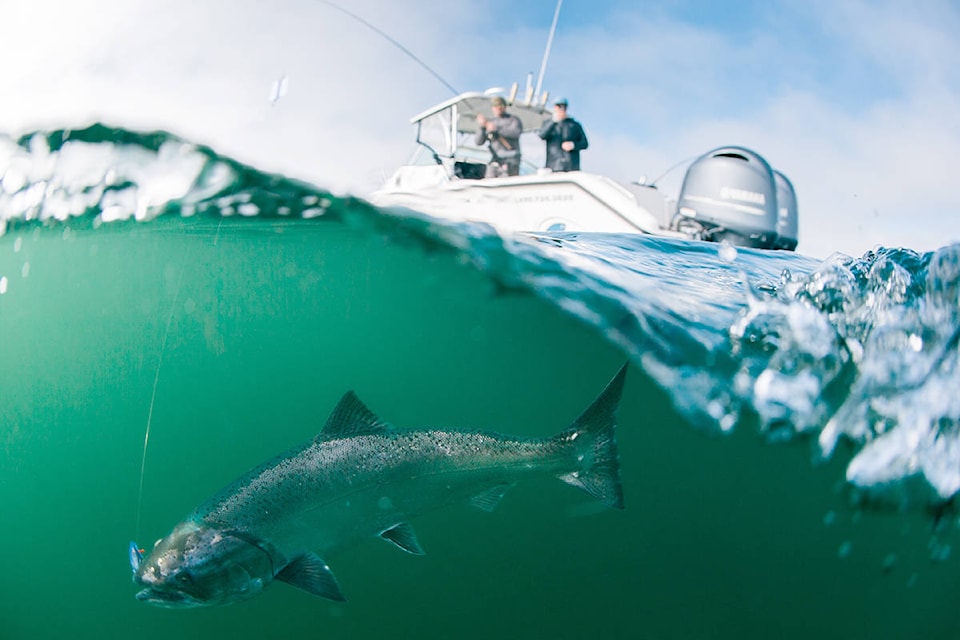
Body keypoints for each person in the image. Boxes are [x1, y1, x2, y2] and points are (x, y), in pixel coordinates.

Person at [475, 96, 522, 178]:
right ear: (492, 108)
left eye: (501, 106)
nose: (499, 108)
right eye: (496, 106)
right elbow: (478, 142)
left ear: (505, 107)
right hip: (495, 160)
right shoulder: (490, 122)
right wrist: (482, 127)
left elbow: (515, 133)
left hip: (511, 160)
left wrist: (496, 129)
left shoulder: (513, 120)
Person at [539, 97, 588, 172]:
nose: (560, 110)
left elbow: (585, 143)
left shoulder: (575, 125)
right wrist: (553, 122)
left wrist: (573, 145)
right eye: (558, 107)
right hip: (553, 166)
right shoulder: (548, 123)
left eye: (563, 107)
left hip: (571, 166)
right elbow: (542, 135)